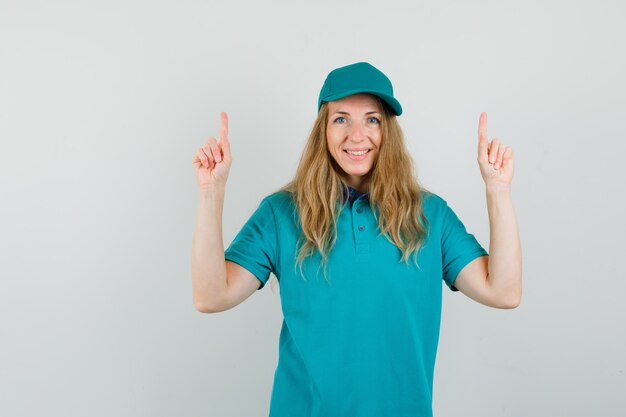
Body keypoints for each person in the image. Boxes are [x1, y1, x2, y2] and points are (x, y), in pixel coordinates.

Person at [191, 62, 522, 417]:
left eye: (372, 119)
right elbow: (212, 296)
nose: (357, 135)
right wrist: (212, 193)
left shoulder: (430, 215)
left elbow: (502, 291)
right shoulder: (281, 213)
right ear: (324, 129)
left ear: (387, 130)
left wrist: (498, 191)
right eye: (341, 119)